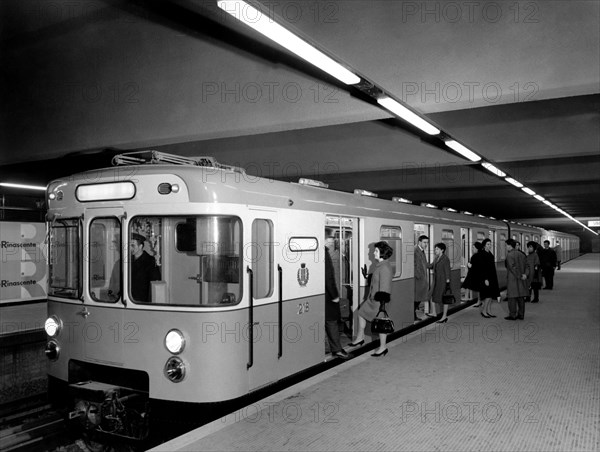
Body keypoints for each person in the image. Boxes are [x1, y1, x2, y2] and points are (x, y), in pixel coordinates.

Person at [351, 241, 394, 357]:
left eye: (376, 251)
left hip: (378, 301)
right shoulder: (381, 265)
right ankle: (360, 338)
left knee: (380, 323)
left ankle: (383, 347)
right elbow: (377, 278)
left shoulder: (384, 267)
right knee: (361, 313)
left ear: (382, 253)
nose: (373, 253)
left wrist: (382, 305)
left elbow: (384, 287)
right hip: (373, 299)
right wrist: (368, 276)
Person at [324, 234, 350, 360]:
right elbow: (329, 277)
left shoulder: (328, 253)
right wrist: (334, 295)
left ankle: (331, 347)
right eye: (328, 242)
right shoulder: (327, 254)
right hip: (329, 294)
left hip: (322, 294)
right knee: (332, 321)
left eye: (332, 242)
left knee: (329, 321)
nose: (331, 244)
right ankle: (336, 349)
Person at [130, 233, 161, 302]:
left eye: (132, 245)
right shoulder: (128, 261)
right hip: (130, 299)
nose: (130, 248)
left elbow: (155, 284)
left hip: (142, 301)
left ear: (140, 246)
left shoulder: (150, 261)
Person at [505, 239, 529, 320]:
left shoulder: (509, 255)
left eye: (506, 245)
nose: (506, 247)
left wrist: (519, 276)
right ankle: (521, 314)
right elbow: (527, 265)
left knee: (512, 298)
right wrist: (525, 274)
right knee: (521, 297)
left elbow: (512, 268)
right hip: (522, 279)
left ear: (509, 245)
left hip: (513, 279)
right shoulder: (522, 254)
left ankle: (512, 315)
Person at [478, 238, 500, 318]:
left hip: (492, 277)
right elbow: (482, 268)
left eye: (490, 244)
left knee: (491, 295)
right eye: (488, 244)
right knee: (488, 295)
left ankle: (489, 311)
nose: (489, 245)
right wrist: (485, 279)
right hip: (486, 278)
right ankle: (484, 311)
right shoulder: (482, 254)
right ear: (484, 245)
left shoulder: (490, 253)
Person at [431, 242, 452, 323]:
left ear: (442, 250)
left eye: (437, 249)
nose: (435, 250)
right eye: (435, 249)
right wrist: (422, 262)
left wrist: (447, 283)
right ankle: (434, 312)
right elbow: (431, 265)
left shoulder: (445, 259)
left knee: (444, 299)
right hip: (437, 281)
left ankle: (444, 316)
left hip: (443, 282)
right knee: (433, 296)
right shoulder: (436, 258)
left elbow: (447, 271)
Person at [414, 235, 433, 321]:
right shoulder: (415, 251)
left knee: (418, 298)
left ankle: (413, 315)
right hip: (418, 279)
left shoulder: (421, 251)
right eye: (424, 242)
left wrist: (434, 264)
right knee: (417, 298)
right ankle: (413, 315)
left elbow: (425, 264)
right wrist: (419, 276)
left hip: (421, 279)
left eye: (427, 243)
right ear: (419, 242)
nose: (426, 244)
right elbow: (414, 265)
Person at [462, 242, 483, 306]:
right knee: (479, 288)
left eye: (473, 247)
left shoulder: (475, 256)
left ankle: (477, 300)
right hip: (478, 274)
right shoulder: (481, 255)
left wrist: (470, 265)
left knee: (476, 287)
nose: (472, 249)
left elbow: (476, 266)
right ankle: (478, 300)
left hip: (475, 275)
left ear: (477, 248)